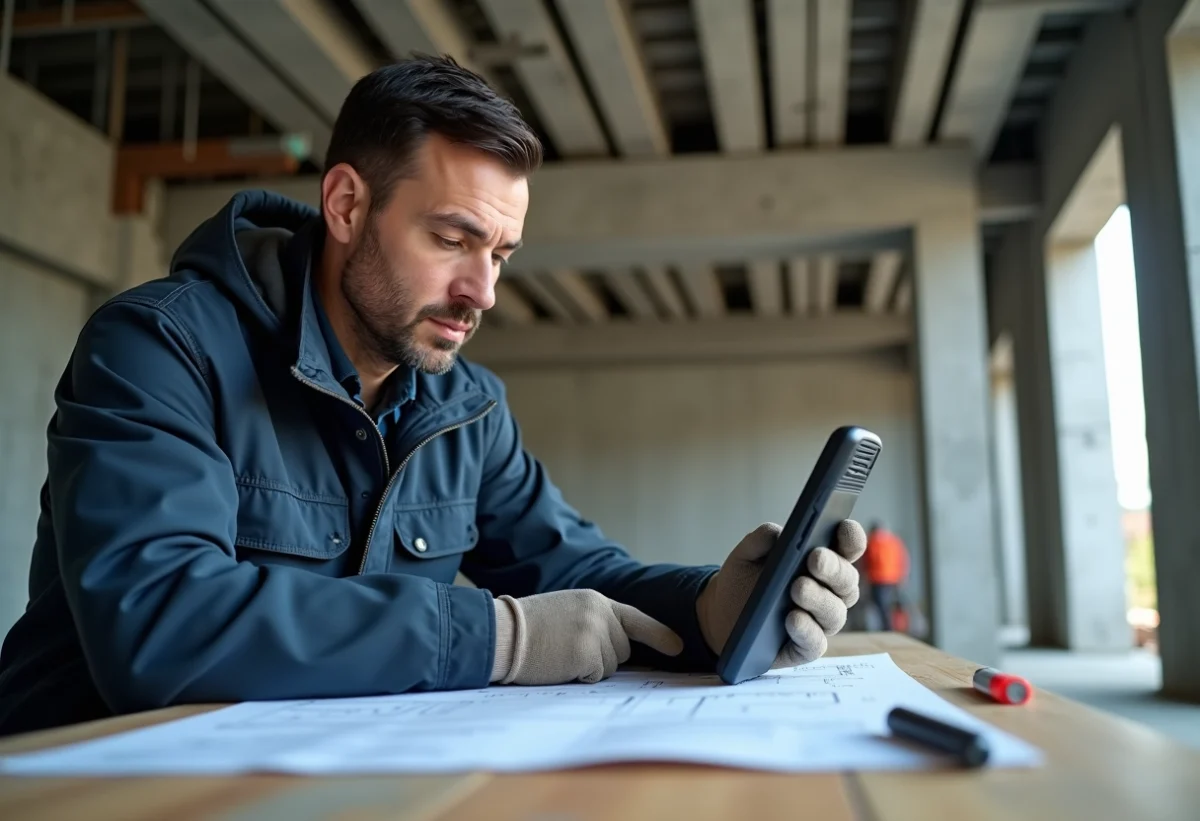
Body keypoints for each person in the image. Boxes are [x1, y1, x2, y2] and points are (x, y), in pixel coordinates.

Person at [0, 56, 866, 737]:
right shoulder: (160, 347)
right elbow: (161, 622)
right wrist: (495, 637)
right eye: (453, 239)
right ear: (347, 204)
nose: (482, 291)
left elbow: (577, 575)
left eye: (501, 254)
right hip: (80, 782)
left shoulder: (467, 409)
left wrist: (712, 606)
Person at [863, 521, 910, 631]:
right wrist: (903, 576)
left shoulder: (872, 542)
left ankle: (887, 627)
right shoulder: (894, 541)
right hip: (893, 578)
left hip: (878, 579)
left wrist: (866, 577)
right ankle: (890, 627)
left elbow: (867, 561)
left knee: (881, 605)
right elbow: (903, 559)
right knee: (887, 605)